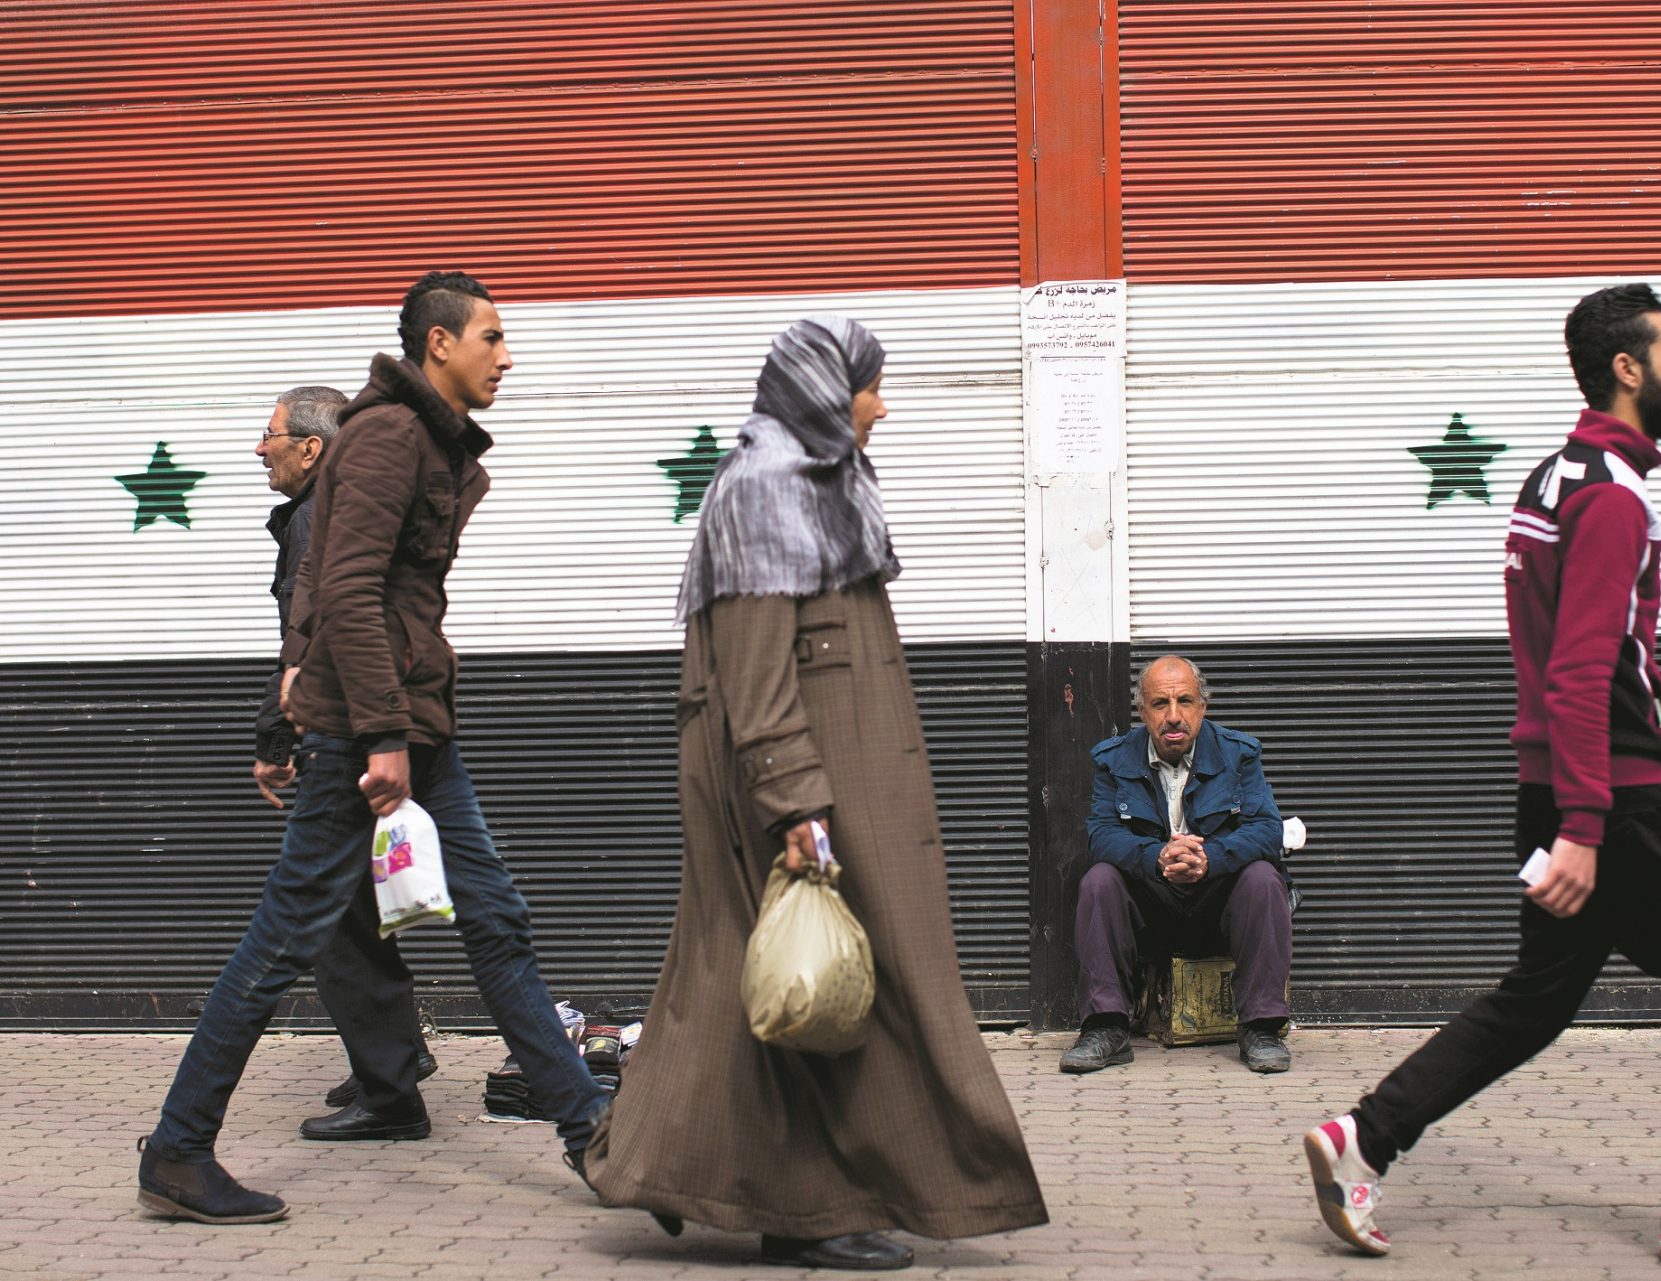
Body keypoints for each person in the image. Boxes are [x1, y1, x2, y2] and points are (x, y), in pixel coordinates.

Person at [1305, 284, 1661, 1266]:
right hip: (1606, 805)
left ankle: (1362, 1138)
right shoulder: (1612, 498)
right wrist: (1590, 821)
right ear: (1627, 368)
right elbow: (1585, 664)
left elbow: (1580, 658)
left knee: (1540, 995)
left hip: (1581, 780)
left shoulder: (1556, 477)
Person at [137, 271, 607, 1225]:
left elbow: (328, 581)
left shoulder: (421, 440)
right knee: (285, 937)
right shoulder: (392, 437)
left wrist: (307, 700)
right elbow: (347, 588)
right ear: (440, 345)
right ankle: (179, 1148)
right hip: (376, 726)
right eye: (492, 337)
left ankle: (591, 1129)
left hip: (410, 719)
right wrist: (373, 733)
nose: (506, 356)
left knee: (496, 921)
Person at [582, 317, 1048, 1271]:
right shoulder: (765, 490)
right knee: (824, 991)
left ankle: (667, 1164)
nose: (882, 403)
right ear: (824, 394)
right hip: (800, 793)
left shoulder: (824, 483)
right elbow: (753, 681)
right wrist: (795, 806)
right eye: (869, 385)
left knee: (745, 987)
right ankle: (813, 1208)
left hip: (834, 784)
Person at [250, 384, 439, 1133]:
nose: (257, 450)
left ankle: (391, 1089)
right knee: (358, 909)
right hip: (371, 730)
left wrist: (276, 741)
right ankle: (394, 1058)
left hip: (344, 737)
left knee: (329, 921)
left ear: (311, 448)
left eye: (267, 435)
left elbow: (305, 642)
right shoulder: (338, 515)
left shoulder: (313, 524)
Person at [1060, 655, 1298, 1075]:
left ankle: (1261, 1027)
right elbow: (1102, 835)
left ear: (1202, 706)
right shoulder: (1112, 760)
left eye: (1185, 701)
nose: (1174, 716)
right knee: (1099, 880)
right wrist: (1156, 857)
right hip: (1153, 901)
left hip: (1217, 897)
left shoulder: (1238, 754)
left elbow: (1266, 828)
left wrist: (1209, 859)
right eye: (1160, 704)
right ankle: (1105, 1026)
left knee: (1263, 877)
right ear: (1142, 711)